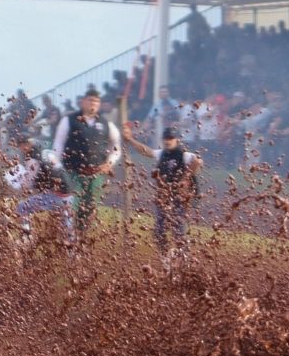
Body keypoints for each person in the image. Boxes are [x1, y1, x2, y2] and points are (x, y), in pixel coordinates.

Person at [49, 86, 122, 232]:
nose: (93, 103)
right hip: (72, 172)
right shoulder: (69, 120)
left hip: (95, 175)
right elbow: (58, 144)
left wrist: (109, 162)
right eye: (90, 100)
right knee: (70, 206)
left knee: (89, 208)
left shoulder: (107, 124)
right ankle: (66, 239)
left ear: (99, 104)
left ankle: (81, 241)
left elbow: (117, 147)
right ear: (83, 102)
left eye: (96, 101)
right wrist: (57, 167)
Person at [125, 122, 202, 254]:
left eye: (170, 138)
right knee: (159, 230)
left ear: (177, 139)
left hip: (180, 197)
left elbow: (198, 161)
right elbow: (145, 151)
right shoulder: (161, 153)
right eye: (166, 138)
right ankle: (166, 256)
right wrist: (130, 139)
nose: (168, 141)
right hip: (164, 197)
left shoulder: (184, 155)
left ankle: (183, 257)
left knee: (178, 229)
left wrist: (185, 178)